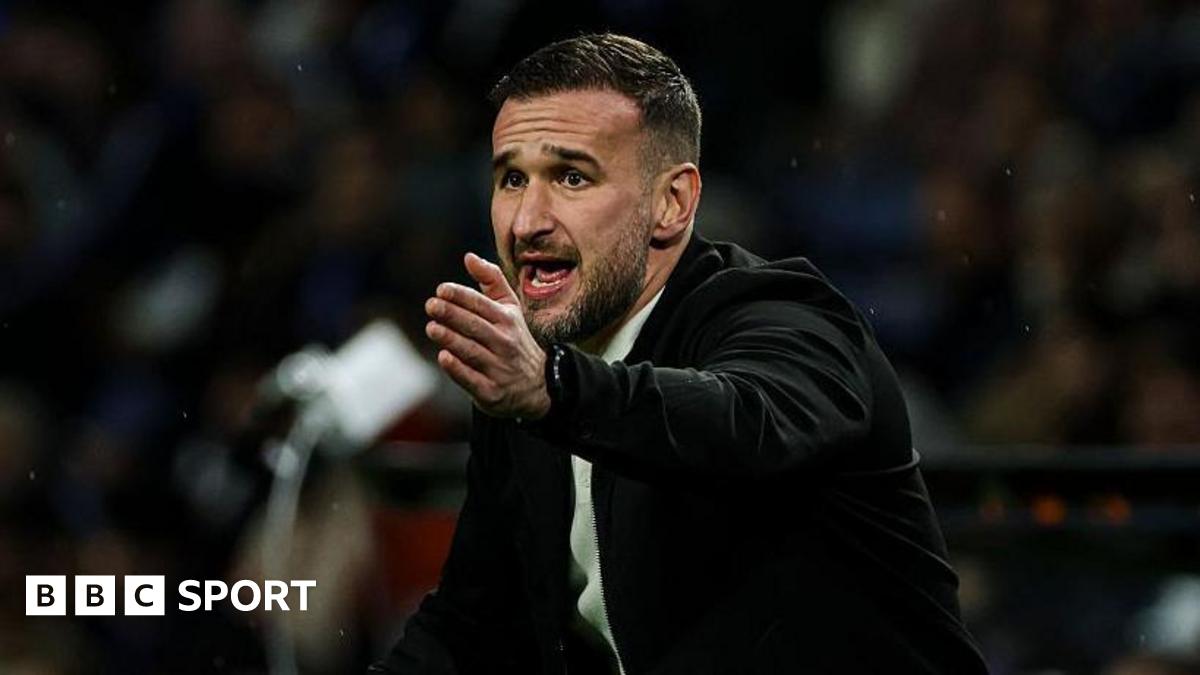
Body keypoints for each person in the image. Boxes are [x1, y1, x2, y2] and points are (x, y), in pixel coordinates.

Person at [372, 33, 989, 674]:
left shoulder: (787, 316)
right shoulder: (529, 370)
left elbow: (746, 426)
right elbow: (473, 625)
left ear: (673, 203)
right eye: (512, 179)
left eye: (572, 177)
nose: (527, 220)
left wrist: (553, 388)